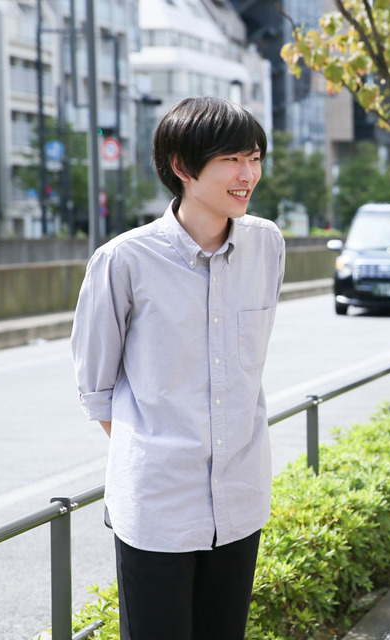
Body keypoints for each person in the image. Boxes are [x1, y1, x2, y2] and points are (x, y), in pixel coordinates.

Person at [70, 97, 285, 640]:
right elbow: (96, 389)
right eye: (231, 159)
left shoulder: (267, 245)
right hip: (157, 509)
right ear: (182, 167)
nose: (248, 174)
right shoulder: (123, 260)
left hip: (239, 501)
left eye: (254, 158)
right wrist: (159, 452)